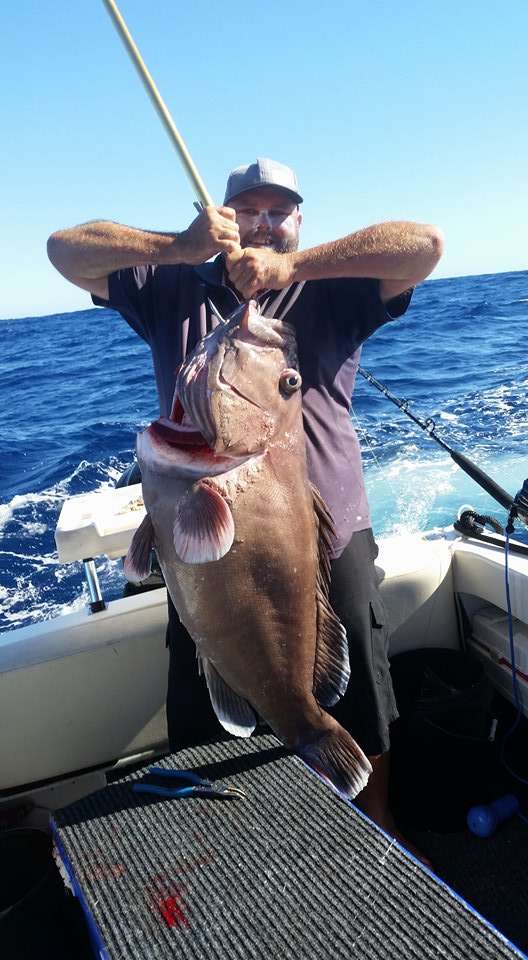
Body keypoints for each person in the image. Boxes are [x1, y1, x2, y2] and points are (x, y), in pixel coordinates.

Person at [47, 157, 443, 854]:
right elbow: (63, 251)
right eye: (248, 210)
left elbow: (425, 246)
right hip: (198, 539)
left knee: (362, 696)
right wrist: (177, 247)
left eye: (279, 212)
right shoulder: (171, 287)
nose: (264, 223)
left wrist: (295, 267)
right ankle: (238, 849)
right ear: (222, 216)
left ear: (299, 221)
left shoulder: (332, 289)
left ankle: (379, 823)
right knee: (206, 704)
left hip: (330, 532)